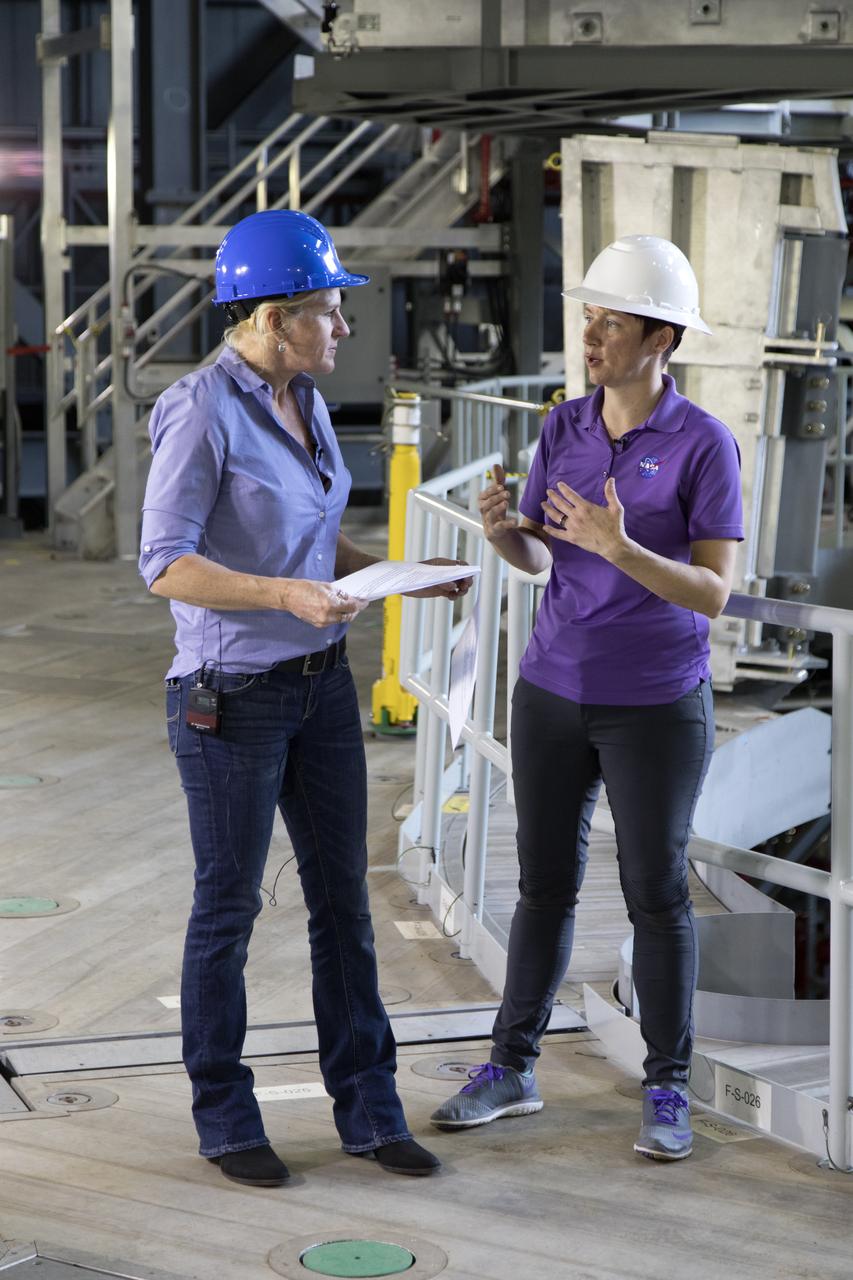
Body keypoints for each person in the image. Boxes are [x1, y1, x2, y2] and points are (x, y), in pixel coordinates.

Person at [139, 209, 470, 1186]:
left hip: (321, 688)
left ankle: (369, 1111)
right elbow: (164, 562)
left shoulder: (304, 400)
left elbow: (311, 542)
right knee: (229, 906)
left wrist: (397, 572)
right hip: (229, 698)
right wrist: (284, 594)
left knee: (343, 905)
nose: (343, 329)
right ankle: (226, 1114)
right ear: (275, 317)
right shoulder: (202, 410)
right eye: (329, 312)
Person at [430, 234, 743, 1161]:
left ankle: (667, 1087)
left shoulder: (703, 443)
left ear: (661, 339)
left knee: (654, 893)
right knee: (542, 886)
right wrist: (503, 536)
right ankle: (510, 1066)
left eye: (611, 320)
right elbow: (539, 558)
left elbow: (714, 591)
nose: (591, 334)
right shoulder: (561, 428)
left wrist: (620, 548)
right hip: (551, 690)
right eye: (589, 316)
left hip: (653, 701)